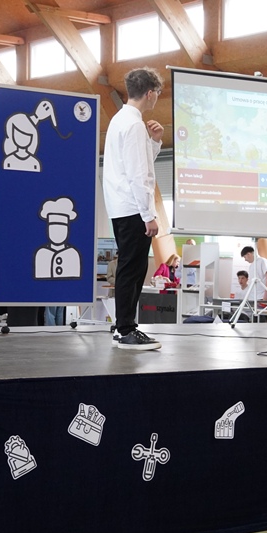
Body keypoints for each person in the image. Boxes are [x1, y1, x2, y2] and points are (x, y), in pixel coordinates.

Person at [102, 66, 164, 351]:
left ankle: (122, 327)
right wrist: (149, 215)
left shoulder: (120, 120)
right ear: (150, 93)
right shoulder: (134, 124)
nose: (157, 97)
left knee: (131, 267)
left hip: (121, 206)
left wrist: (154, 142)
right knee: (133, 269)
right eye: (157, 93)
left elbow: (137, 163)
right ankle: (126, 329)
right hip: (133, 208)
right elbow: (140, 175)